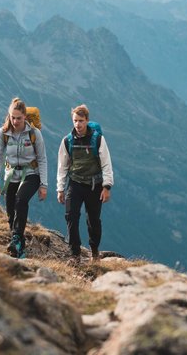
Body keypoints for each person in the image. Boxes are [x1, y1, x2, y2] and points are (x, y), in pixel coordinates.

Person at [56, 104, 114, 264]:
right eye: (75, 120)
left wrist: (107, 187)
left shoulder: (98, 140)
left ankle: (94, 251)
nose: (78, 124)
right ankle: (74, 253)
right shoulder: (67, 141)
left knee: (93, 220)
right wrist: (60, 188)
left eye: (81, 121)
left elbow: (106, 164)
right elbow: (63, 166)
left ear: (87, 120)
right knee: (71, 216)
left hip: (95, 185)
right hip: (75, 183)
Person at [0, 97, 48, 258]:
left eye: (19, 118)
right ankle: (19, 246)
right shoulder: (3, 133)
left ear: (25, 117)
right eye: (12, 117)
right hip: (11, 175)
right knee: (10, 212)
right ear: (8, 116)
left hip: (31, 174)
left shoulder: (34, 133)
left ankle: (16, 238)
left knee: (21, 200)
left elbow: (42, 158)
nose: (15, 121)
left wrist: (43, 184)